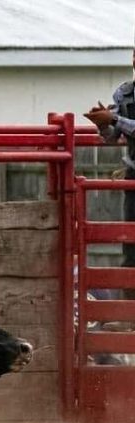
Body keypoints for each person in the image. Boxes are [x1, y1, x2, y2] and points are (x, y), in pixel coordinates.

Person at [84, 50, 135, 277]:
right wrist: (102, 122)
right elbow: (113, 136)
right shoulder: (124, 93)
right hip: (133, 176)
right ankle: (128, 307)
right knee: (131, 246)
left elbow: (119, 123)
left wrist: (112, 118)